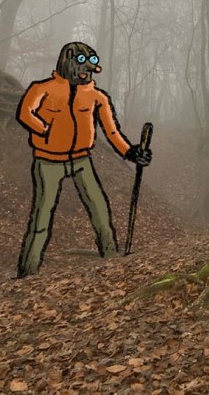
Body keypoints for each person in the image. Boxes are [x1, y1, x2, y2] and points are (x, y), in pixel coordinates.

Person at [15, 40, 152, 278]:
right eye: (82, 68)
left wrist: (131, 152)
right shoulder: (42, 89)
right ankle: (27, 273)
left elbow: (111, 132)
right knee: (41, 218)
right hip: (48, 161)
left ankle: (111, 259)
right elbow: (25, 112)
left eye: (89, 70)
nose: (86, 73)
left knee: (100, 209)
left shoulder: (97, 97)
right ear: (68, 63)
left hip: (81, 161)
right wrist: (44, 129)